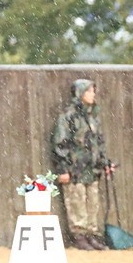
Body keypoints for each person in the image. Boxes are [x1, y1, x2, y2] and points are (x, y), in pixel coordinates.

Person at [51, 78, 117, 250]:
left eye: (93, 91)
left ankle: (91, 235)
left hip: (92, 169)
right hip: (74, 170)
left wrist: (105, 163)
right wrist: (63, 169)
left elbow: (98, 143)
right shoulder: (68, 117)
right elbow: (60, 144)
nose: (93, 94)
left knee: (93, 203)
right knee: (76, 202)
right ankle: (79, 236)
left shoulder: (93, 118)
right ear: (80, 93)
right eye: (89, 91)